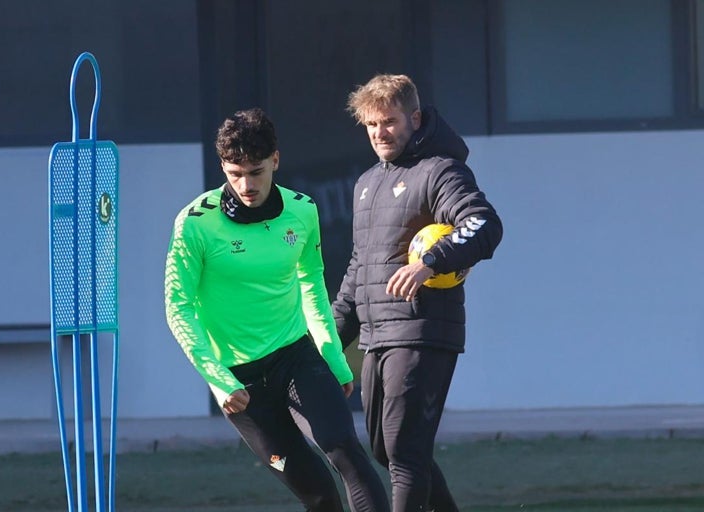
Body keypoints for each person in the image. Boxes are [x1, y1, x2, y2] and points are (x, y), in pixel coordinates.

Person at [165, 108, 389, 512]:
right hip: (241, 382)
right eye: (235, 173)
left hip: (295, 357)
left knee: (346, 453)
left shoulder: (302, 211)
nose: (246, 185)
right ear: (222, 167)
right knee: (317, 491)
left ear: (276, 161)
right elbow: (177, 307)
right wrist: (217, 379)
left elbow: (312, 287)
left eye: (256, 171)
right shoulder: (195, 224)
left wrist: (336, 361)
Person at [333, 74, 503, 512]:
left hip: (423, 330)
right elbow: (360, 266)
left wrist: (429, 262)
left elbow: (484, 224)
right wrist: (332, 334)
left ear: (414, 117)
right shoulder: (367, 182)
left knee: (404, 451)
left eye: (388, 122)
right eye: (371, 125)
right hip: (376, 336)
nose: (379, 133)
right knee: (386, 451)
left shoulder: (441, 170)